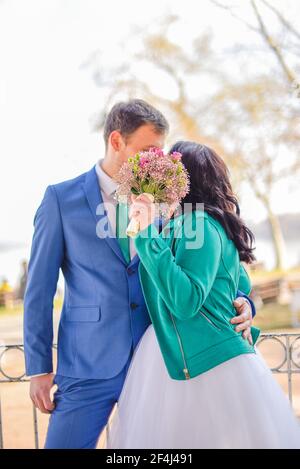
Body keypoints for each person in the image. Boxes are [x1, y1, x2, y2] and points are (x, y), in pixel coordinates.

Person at [23, 101, 255, 449]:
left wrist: (246, 301)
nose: (156, 161)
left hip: (159, 363)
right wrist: (39, 368)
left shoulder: (170, 200)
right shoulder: (60, 199)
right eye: (147, 150)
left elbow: (224, 265)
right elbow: (38, 291)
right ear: (116, 141)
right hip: (88, 365)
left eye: (160, 152)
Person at [105, 141, 300, 449]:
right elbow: (238, 283)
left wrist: (145, 236)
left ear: (186, 181)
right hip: (177, 352)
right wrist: (245, 302)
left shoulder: (200, 224)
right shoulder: (181, 224)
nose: (162, 182)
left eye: (170, 174)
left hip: (205, 358)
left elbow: (186, 301)